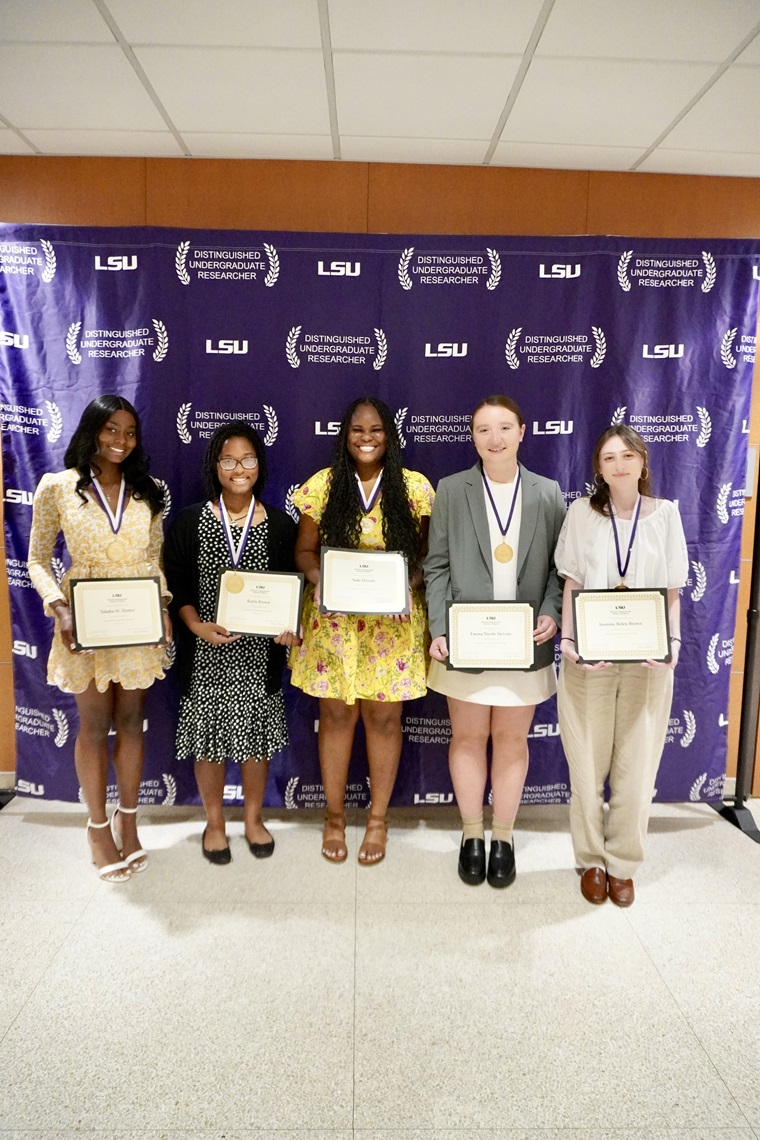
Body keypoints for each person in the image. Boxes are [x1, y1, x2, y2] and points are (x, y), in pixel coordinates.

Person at [28, 394, 170, 882]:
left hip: (136, 623)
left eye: (129, 432)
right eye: (111, 429)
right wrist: (60, 609)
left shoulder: (147, 490)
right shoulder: (58, 487)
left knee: (131, 721)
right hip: (84, 624)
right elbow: (36, 559)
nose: (120, 441)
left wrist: (163, 607)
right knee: (93, 726)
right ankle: (95, 828)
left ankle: (128, 823)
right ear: (93, 429)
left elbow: (153, 560)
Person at [425, 395, 565, 888]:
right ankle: (471, 834)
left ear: (523, 431)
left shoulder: (549, 493)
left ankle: (502, 836)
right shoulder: (452, 489)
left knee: (510, 739)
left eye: (505, 427)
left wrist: (551, 613)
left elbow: (557, 569)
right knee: (466, 738)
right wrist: (438, 627)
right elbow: (436, 564)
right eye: (483, 429)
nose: (495, 438)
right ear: (472, 436)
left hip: (524, 643)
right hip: (466, 641)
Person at [289, 396, 434, 865]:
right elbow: (305, 554)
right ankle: (334, 817)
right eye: (357, 430)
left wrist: (402, 589)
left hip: (391, 628)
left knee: (385, 720)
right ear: (344, 435)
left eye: (374, 430)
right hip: (335, 625)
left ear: (388, 435)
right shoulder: (324, 486)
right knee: (334, 718)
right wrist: (327, 584)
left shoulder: (413, 489)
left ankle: (377, 820)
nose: (366, 438)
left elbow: (426, 559)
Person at [555, 425, 687, 907]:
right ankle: (590, 859)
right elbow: (570, 583)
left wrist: (673, 642)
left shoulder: (666, 515)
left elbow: (672, 591)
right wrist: (567, 639)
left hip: (649, 662)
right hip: (587, 659)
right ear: (598, 468)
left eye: (627, 455)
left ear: (643, 462)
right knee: (586, 765)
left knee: (637, 766)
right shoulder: (581, 514)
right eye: (609, 458)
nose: (619, 464)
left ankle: (623, 863)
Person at [164, 421, 299, 865]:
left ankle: (254, 819)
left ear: (259, 465)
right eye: (228, 460)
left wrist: (287, 628)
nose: (238, 468)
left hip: (259, 657)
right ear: (215, 465)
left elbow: (291, 589)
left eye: (247, 459)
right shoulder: (189, 521)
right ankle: (216, 823)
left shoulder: (280, 525)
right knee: (209, 742)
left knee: (255, 741)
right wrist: (195, 625)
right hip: (205, 653)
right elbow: (178, 587)